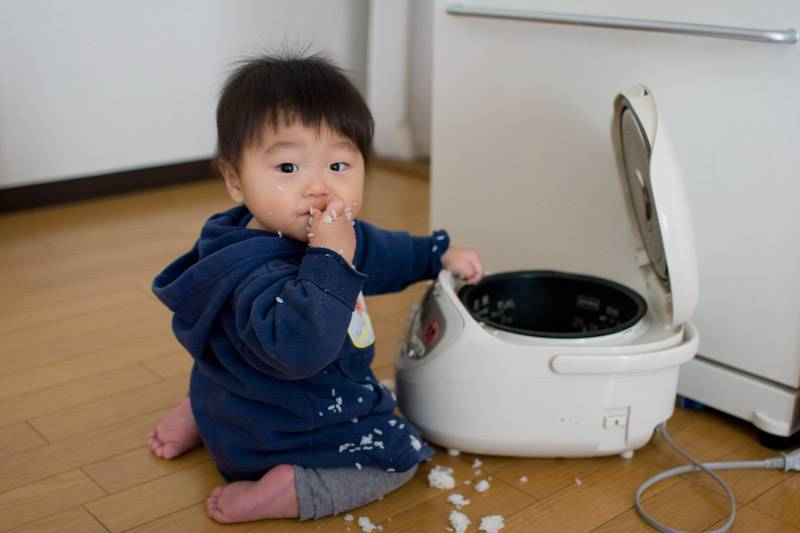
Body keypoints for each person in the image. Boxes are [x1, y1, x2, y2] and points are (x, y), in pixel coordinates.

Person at [147, 52, 484, 524]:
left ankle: (200, 413)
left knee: (233, 378)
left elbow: (382, 251)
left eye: (341, 165)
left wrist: (434, 254)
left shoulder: (316, 235)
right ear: (233, 179)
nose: (319, 187)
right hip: (281, 434)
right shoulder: (257, 272)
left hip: (233, 402)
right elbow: (299, 350)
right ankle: (290, 488)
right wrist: (332, 259)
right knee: (399, 456)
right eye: (288, 168)